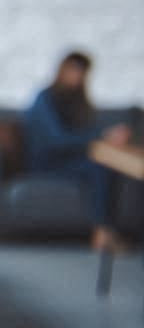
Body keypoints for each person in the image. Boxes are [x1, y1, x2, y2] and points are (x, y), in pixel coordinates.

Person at [23, 51, 133, 251]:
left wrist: (106, 136)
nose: (79, 77)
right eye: (75, 71)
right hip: (47, 162)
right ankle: (103, 232)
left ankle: (106, 230)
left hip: (69, 158)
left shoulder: (76, 101)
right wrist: (101, 136)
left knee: (109, 164)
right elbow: (58, 140)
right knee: (99, 167)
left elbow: (83, 132)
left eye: (83, 73)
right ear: (63, 70)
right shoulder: (45, 98)